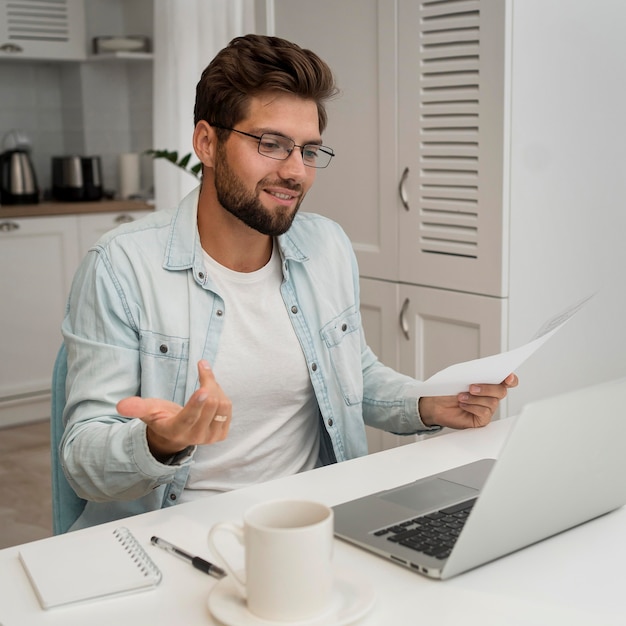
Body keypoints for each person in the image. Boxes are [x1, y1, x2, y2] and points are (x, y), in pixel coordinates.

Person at [60, 34, 517, 530]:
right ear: (206, 143)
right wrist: (160, 441)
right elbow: (85, 459)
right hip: (176, 535)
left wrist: (430, 404)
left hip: (313, 522)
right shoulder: (121, 266)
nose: (295, 171)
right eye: (271, 144)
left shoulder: (326, 247)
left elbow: (351, 375)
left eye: (309, 150)